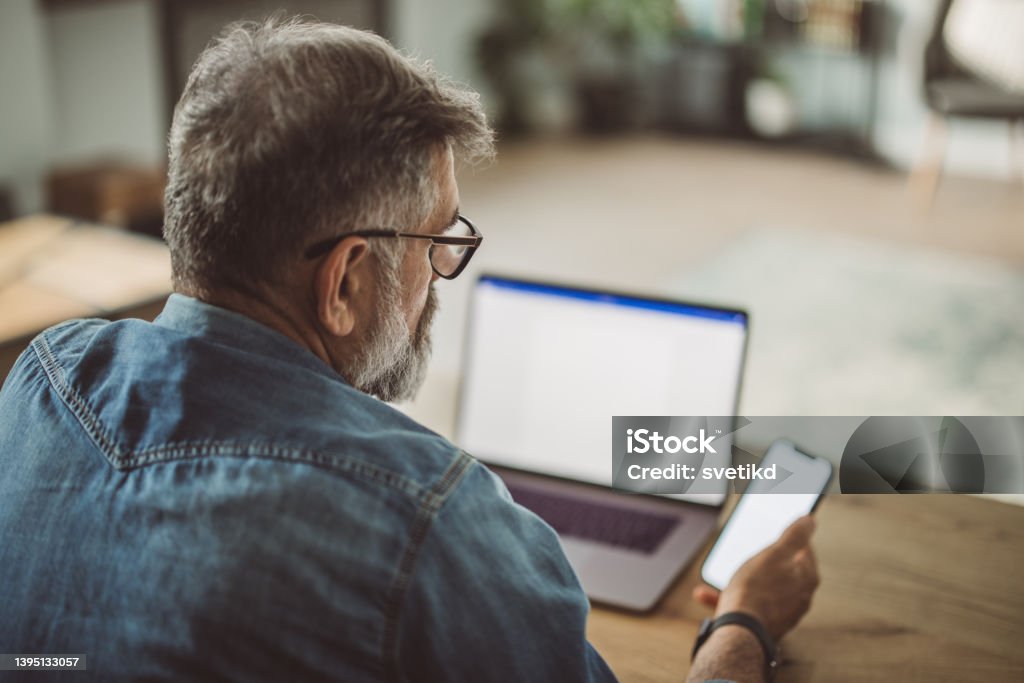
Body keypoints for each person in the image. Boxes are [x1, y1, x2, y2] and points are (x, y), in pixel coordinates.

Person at [0, 17, 818, 683]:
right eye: (438, 242)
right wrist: (741, 623)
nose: (442, 273)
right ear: (346, 281)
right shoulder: (427, 517)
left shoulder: (40, 378)